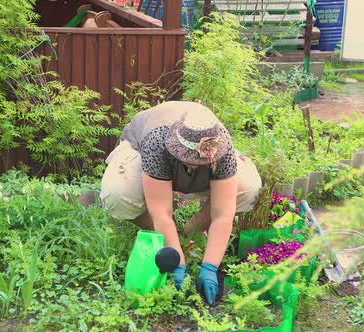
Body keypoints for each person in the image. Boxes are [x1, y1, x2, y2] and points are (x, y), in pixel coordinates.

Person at [100, 101, 262, 305]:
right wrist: (178, 265)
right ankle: (162, 236)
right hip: (142, 153)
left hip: (204, 166)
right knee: (117, 191)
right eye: (188, 158)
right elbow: (161, 212)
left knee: (248, 187)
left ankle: (190, 230)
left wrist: (210, 266)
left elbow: (223, 214)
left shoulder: (222, 147)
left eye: (199, 160)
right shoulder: (156, 141)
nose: (194, 163)